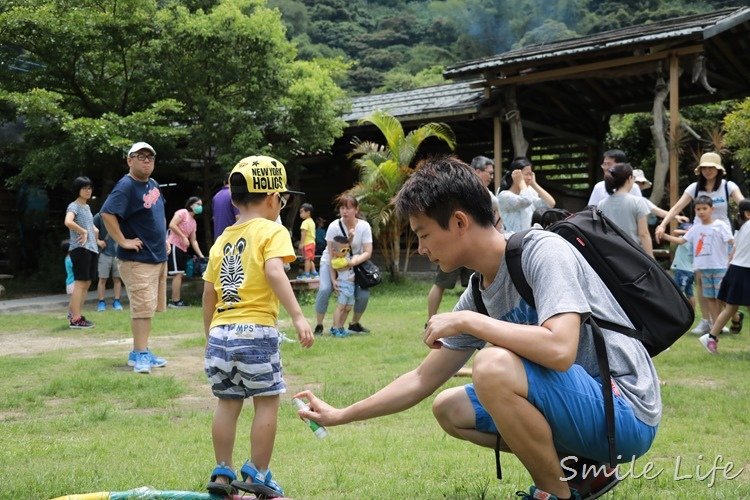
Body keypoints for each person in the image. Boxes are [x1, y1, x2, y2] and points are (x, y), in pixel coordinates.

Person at [295, 156, 660, 500]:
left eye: (423, 234)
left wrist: (470, 322)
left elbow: (560, 349)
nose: (421, 248)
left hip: (623, 409)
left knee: (491, 366)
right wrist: (341, 414)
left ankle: (555, 492)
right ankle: (579, 470)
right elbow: (422, 379)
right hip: (579, 406)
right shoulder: (479, 293)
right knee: (449, 408)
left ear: (458, 223)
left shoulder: (542, 251)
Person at [202, 154, 313, 498]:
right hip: (256, 332)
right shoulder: (272, 230)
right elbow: (274, 271)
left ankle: (222, 473)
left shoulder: (222, 240)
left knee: (227, 402)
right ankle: (258, 474)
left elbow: (209, 292)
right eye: (282, 197)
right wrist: (297, 315)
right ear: (271, 199)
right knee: (266, 402)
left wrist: (210, 334)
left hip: (221, 333)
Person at [655, 152, 745, 335]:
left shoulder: (728, 186)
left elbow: (744, 206)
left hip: (722, 238)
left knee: (722, 282)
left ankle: (729, 317)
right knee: (701, 281)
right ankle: (707, 321)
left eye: (711, 167)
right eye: (704, 167)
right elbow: (677, 207)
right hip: (701, 238)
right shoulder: (695, 188)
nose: (707, 171)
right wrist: (663, 224)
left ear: (718, 170)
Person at [100, 141, 169, 374]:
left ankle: (142, 350)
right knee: (141, 308)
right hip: (137, 259)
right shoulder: (126, 185)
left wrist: (165, 239)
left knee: (148, 308)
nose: (146, 160)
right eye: (140, 156)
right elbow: (107, 213)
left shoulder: (152, 183)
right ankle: (139, 355)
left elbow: (157, 214)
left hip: (156, 255)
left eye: (150, 156)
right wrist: (122, 240)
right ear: (130, 160)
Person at [426, 156, 503, 321]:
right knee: (441, 284)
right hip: (454, 247)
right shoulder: (460, 194)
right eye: (488, 173)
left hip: (475, 249)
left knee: (477, 287)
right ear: (477, 171)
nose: (491, 176)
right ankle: (431, 320)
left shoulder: (487, 194)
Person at [659, 195, 734, 349]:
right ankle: (715, 331)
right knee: (711, 299)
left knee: (723, 298)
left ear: (712, 209)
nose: (701, 212)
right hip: (704, 268)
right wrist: (665, 235)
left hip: (720, 267)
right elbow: (682, 241)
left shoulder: (720, 225)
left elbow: (732, 242)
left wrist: (731, 258)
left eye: (704, 209)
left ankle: (729, 319)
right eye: (698, 209)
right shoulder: (696, 228)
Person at [313, 194, 373, 335]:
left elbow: (368, 251)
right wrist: (334, 280)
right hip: (330, 263)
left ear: (356, 210)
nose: (344, 211)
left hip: (353, 265)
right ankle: (319, 325)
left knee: (363, 294)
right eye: (342, 208)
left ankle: (354, 324)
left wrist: (353, 262)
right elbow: (331, 255)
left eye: (348, 208)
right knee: (324, 289)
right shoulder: (334, 226)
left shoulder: (364, 226)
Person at [701, 198, 750, 352]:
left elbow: (734, 249)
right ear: (747, 214)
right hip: (744, 271)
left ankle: (711, 338)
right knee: (730, 308)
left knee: (730, 308)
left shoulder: (743, 228)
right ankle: (711, 338)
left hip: (736, 269)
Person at [64, 176, 99, 329]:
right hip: (80, 249)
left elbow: (92, 228)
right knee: (80, 283)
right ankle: (76, 319)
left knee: (87, 282)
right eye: (84, 188)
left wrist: (95, 235)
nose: (88, 190)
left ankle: (74, 314)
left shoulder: (87, 207)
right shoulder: (74, 206)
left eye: (89, 188)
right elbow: (68, 222)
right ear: (77, 190)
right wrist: (83, 231)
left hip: (91, 248)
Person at [597, 163, 653, 256]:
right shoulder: (638, 202)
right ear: (630, 178)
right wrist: (651, 258)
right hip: (633, 254)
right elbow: (644, 234)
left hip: (610, 255)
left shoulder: (601, 204)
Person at [496, 156, 556, 232]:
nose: (529, 177)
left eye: (531, 174)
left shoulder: (528, 194)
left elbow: (550, 203)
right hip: (511, 241)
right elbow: (526, 201)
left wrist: (534, 184)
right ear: (516, 175)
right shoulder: (504, 196)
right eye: (527, 174)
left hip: (525, 241)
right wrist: (520, 181)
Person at [166, 196, 207, 307]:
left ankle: (177, 300)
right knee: (177, 274)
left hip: (183, 249)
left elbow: (193, 241)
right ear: (191, 205)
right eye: (198, 204)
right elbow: (172, 225)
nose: (200, 207)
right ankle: (174, 301)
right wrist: (183, 237)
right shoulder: (182, 212)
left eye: (201, 205)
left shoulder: (193, 222)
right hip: (174, 245)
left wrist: (201, 255)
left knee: (180, 275)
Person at [93, 212, 124, 312]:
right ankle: (101, 302)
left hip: (118, 253)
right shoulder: (99, 216)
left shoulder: (121, 216)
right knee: (102, 279)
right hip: (104, 253)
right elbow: (89, 228)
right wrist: (97, 241)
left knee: (117, 279)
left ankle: (117, 301)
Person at [328, 235, 356, 337]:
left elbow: (350, 260)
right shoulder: (336, 261)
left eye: (348, 249)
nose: (347, 252)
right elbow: (349, 262)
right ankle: (334, 328)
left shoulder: (345, 256)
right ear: (334, 251)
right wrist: (351, 261)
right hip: (343, 286)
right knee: (340, 307)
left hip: (351, 286)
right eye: (344, 250)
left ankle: (340, 326)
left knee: (348, 308)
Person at [669, 223, 696, 312]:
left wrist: (688, 232)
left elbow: (675, 232)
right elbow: (676, 232)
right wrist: (689, 232)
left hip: (683, 271)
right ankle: (692, 312)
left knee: (678, 292)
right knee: (689, 293)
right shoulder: (694, 240)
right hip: (690, 271)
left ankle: (678, 311)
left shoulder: (687, 240)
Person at [212, 174, 239, 240]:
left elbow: (214, 218)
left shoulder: (216, 196)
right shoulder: (234, 195)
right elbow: (238, 217)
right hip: (231, 238)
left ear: (224, 182)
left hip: (218, 238)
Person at [296, 203, 318, 280]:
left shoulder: (305, 222)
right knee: (310, 259)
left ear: (308, 212)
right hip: (312, 243)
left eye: (302, 212)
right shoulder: (312, 222)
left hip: (307, 243)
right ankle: (315, 274)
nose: (300, 214)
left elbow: (303, 234)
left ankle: (307, 275)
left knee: (307, 259)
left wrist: (301, 244)